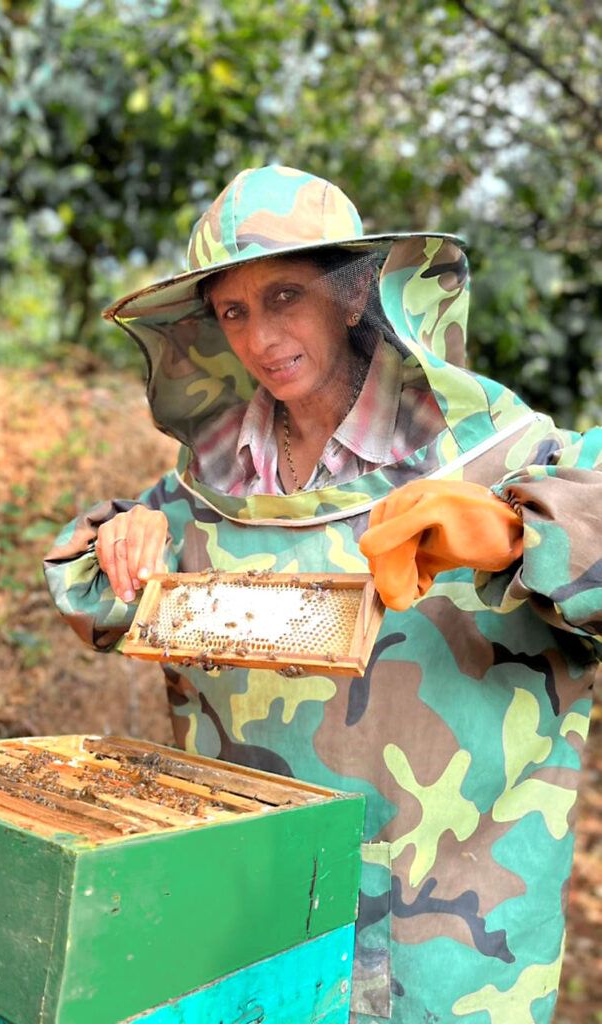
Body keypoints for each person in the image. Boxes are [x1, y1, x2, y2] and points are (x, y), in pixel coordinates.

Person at [44, 165, 601, 1023]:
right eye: (233, 311)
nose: (262, 336)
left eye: (286, 296)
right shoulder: (212, 478)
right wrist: (124, 535)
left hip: (451, 951)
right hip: (250, 923)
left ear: (351, 295)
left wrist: (525, 530)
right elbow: (98, 599)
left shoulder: (494, 451)